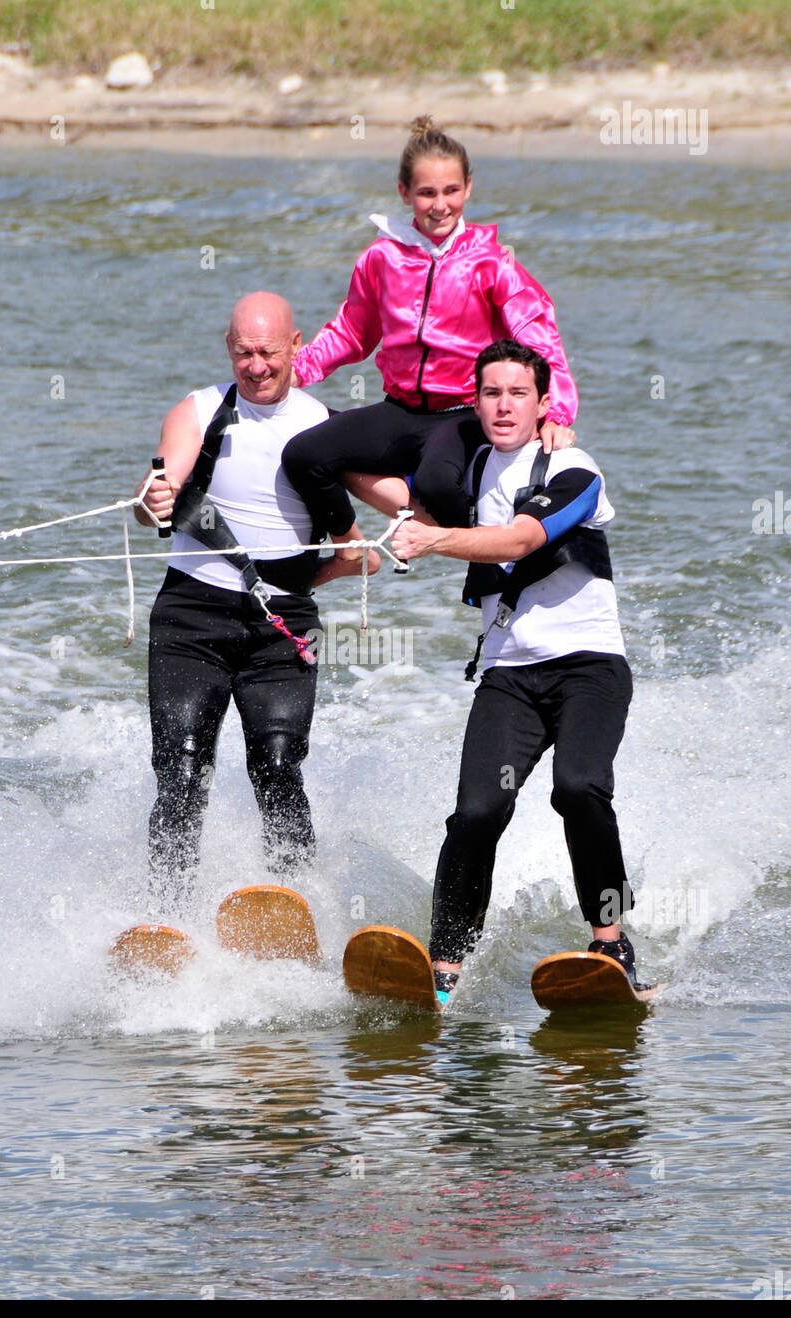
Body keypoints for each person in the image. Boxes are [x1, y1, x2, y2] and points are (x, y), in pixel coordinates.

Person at [391, 338, 648, 1005]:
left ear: (542, 403)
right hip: (509, 676)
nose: (503, 405)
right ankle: (444, 969)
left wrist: (430, 538)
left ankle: (610, 939)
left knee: (578, 789)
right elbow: (372, 471)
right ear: (473, 401)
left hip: (589, 669)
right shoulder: (466, 466)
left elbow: (519, 541)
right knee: (476, 814)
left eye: (517, 393)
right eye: (490, 393)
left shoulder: (571, 467)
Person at [134, 291, 377, 904]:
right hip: (191, 616)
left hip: (283, 625)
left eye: (268, 351)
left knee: (276, 764)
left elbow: (364, 551)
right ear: (228, 348)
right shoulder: (197, 410)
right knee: (182, 771)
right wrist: (153, 499)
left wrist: (300, 583)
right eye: (244, 352)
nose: (257, 365)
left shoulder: (323, 428)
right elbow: (162, 487)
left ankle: (298, 904)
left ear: (297, 346)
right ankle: (166, 912)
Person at [281, 114, 578, 556]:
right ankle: (349, 549)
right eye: (427, 193)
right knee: (303, 455)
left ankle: (487, 556)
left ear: (468, 188)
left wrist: (558, 414)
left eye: (451, 191)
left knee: (440, 482)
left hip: (460, 415)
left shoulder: (491, 262)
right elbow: (352, 331)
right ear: (405, 193)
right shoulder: (381, 258)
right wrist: (294, 370)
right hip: (399, 411)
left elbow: (537, 335)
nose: (440, 205)